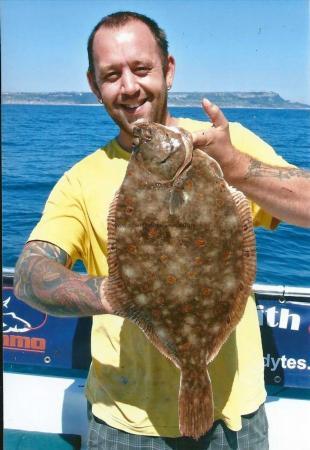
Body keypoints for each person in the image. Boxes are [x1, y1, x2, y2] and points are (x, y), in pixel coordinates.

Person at [14, 11, 310, 450]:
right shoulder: (80, 179)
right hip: (124, 425)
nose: (129, 86)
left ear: (168, 70)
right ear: (95, 86)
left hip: (235, 419)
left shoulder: (226, 144)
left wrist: (238, 169)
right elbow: (28, 274)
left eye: (141, 68)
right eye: (112, 75)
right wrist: (117, 295)